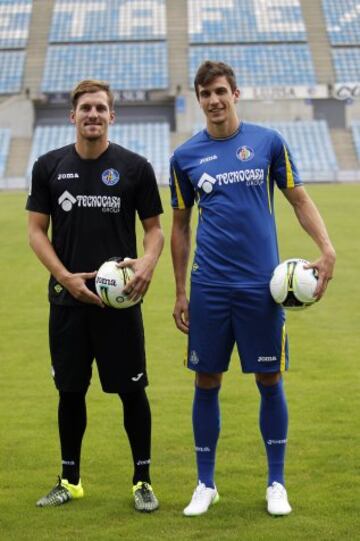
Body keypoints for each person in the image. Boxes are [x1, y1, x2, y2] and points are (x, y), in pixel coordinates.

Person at [170, 61, 336, 517]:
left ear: (235, 93)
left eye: (220, 91)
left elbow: (298, 197)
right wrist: (180, 291)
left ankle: (276, 483)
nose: (214, 100)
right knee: (206, 380)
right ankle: (205, 484)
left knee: (269, 379)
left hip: (261, 289)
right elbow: (180, 226)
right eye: (205, 94)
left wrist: (326, 248)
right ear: (199, 99)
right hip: (209, 286)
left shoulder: (267, 143)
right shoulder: (184, 157)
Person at [26, 80, 164, 512]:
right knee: (69, 392)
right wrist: (66, 277)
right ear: (73, 116)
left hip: (119, 304)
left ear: (111, 116)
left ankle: (142, 481)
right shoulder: (48, 166)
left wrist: (146, 263)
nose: (93, 114)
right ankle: (70, 479)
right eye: (85, 108)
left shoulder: (135, 167)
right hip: (67, 303)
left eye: (101, 108)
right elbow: (35, 231)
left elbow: (155, 230)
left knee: (132, 392)